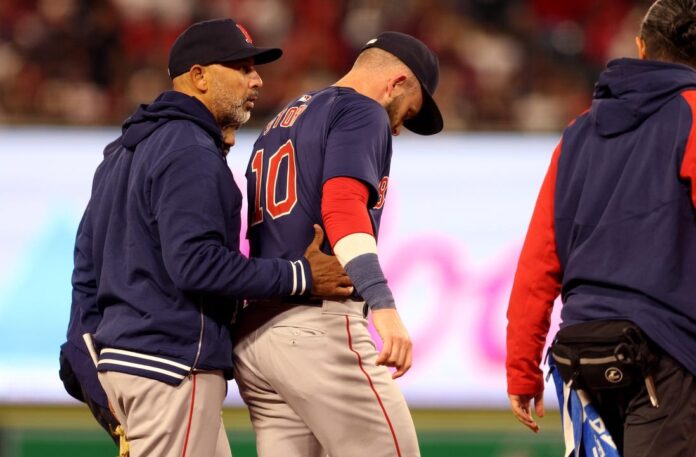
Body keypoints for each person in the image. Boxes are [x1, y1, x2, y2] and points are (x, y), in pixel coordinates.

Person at [61, 18, 352, 457]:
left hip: (129, 364)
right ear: (198, 76)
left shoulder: (122, 153)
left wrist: (87, 357)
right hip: (171, 364)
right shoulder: (189, 149)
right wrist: (301, 276)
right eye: (241, 68)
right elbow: (196, 265)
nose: (256, 80)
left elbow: (86, 271)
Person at [233, 31, 443, 457]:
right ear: (397, 82)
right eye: (406, 111)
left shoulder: (281, 118)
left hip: (257, 335)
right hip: (317, 327)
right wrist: (382, 304)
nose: (397, 127)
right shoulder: (363, 111)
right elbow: (343, 208)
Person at [506, 1, 696, 455]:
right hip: (669, 349)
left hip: (582, 355)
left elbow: (540, 256)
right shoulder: (692, 115)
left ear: (641, 47)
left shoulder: (579, 131)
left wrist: (521, 366)